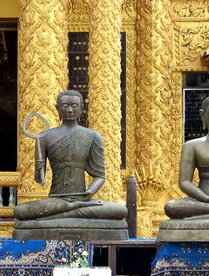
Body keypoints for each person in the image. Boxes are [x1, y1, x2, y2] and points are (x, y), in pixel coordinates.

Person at [14, 90, 127, 221]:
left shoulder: (92, 136)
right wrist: (39, 169)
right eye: (65, 106)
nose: (70, 110)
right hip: (56, 199)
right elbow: (40, 180)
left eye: (74, 106)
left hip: (82, 199)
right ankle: (71, 208)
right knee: (20, 211)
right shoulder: (44, 137)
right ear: (57, 108)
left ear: (81, 108)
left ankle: (66, 211)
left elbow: (100, 176)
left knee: (120, 210)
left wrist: (89, 192)